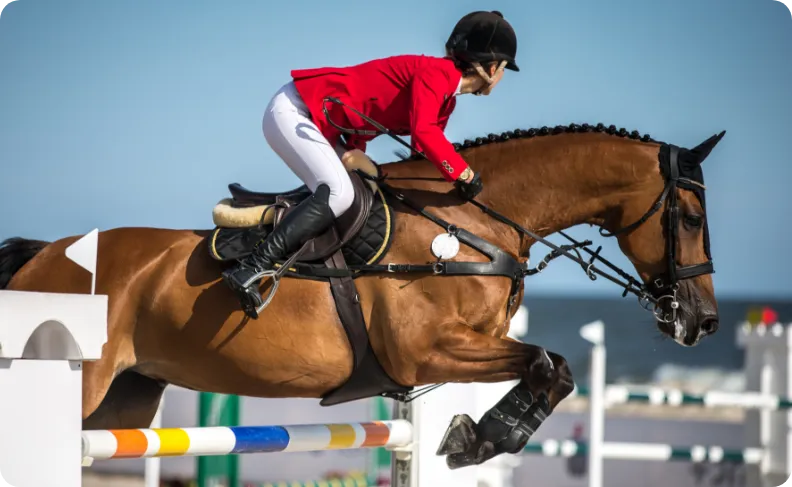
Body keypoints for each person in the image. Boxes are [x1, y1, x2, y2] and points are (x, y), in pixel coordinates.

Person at [222, 10, 520, 318]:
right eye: (503, 70)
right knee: (339, 193)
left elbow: (422, 151)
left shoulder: (447, 98)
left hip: (322, 124)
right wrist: (464, 173)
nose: (500, 78)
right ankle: (251, 267)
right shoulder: (436, 73)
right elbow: (425, 133)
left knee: (360, 190)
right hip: (296, 112)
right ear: (492, 66)